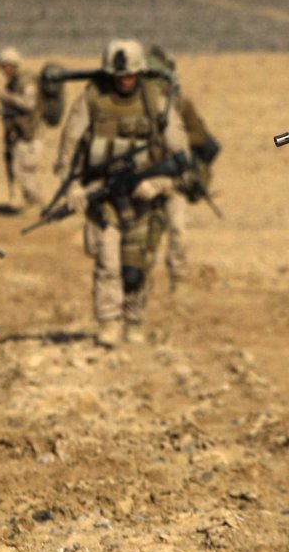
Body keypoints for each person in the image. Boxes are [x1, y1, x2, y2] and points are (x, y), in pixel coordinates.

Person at [53, 39, 192, 347]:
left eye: (130, 76)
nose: (124, 82)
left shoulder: (154, 101)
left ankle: (134, 321)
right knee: (107, 262)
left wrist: (159, 184)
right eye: (119, 77)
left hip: (144, 199)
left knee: (138, 264)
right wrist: (71, 186)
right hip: (103, 196)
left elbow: (182, 158)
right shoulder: (92, 99)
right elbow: (70, 145)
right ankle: (108, 322)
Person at [146, 45, 220, 289]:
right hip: (146, 180)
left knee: (178, 230)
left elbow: (202, 137)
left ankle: (178, 279)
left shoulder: (179, 104)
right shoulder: (136, 109)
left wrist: (178, 141)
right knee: (146, 233)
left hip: (175, 179)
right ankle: (140, 281)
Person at [0, 47, 45, 211]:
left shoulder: (25, 81)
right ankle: (32, 202)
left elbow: (29, 104)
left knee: (22, 170)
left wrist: (8, 98)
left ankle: (37, 201)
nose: (3, 70)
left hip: (31, 133)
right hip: (21, 132)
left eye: (5, 66)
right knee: (19, 168)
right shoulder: (15, 81)